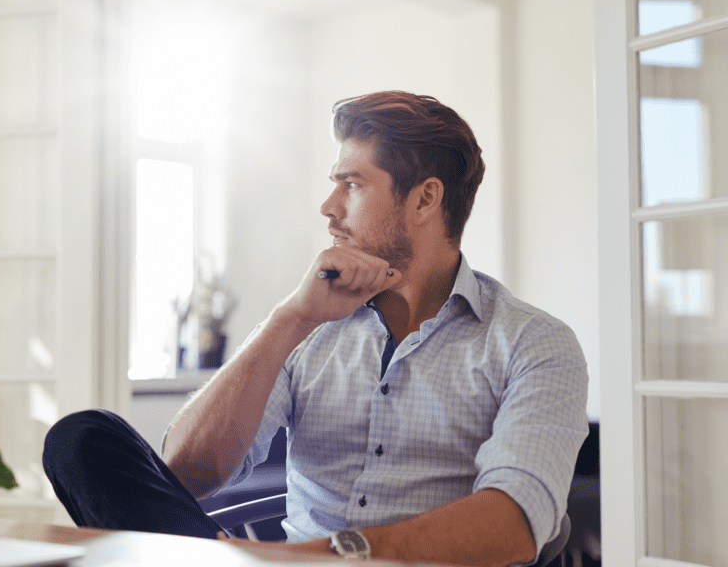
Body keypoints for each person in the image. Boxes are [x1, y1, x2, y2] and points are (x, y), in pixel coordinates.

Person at [43, 91, 588, 567]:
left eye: (351, 184)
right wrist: (290, 319)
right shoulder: (310, 324)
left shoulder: (533, 343)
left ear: (425, 198)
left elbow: (512, 524)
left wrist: (293, 560)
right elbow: (185, 474)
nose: (328, 208)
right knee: (81, 439)